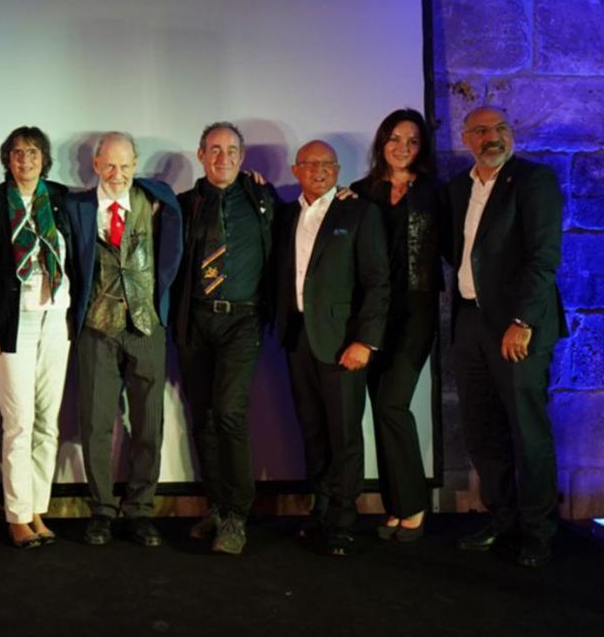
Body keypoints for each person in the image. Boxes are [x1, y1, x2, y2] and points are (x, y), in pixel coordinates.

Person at [444, 107, 566, 567]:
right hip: (471, 322)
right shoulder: (459, 188)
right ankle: (503, 517)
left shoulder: (533, 181)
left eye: (501, 129)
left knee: (526, 428)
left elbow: (544, 257)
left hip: (518, 325)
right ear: (466, 138)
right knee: (481, 428)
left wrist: (525, 321)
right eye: (481, 131)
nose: (492, 137)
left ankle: (538, 531)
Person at [66, 131, 183, 547]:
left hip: (146, 327)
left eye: (126, 166)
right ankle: (101, 510)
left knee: (149, 423)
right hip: (96, 329)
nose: (118, 174)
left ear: (137, 166)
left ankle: (140, 510)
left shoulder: (158, 200)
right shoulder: (74, 206)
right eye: (110, 165)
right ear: (96, 165)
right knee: (96, 424)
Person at [274, 140, 389, 557]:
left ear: (338, 170)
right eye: (310, 164)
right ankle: (321, 509)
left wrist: (365, 340)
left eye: (327, 164)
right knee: (313, 431)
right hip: (298, 338)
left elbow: (378, 282)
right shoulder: (287, 215)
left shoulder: (359, 212)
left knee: (344, 435)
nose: (319, 170)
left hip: (344, 342)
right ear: (296, 169)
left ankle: (343, 520)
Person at [171, 122, 276, 555]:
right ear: (200, 154)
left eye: (231, 150)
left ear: (242, 155)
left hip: (242, 321)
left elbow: (312, 217)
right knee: (204, 418)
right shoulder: (182, 205)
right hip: (196, 321)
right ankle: (216, 506)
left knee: (230, 414)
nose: (223, 158)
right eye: (214, 149)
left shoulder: (263, 200)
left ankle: (237, 515)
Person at [0, 126, 75, 549]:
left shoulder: (63, 199)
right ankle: (16, 515)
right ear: (7, 159)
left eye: (33, 153)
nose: (25, 160)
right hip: (14, 323)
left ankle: (37, 510)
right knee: (19, 423)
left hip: (58, 318)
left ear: (44, 159)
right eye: (17, 153)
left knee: (48, 422)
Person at [348, 109, 443, 542]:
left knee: (392, 404)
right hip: (370, 315)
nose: (402, 147)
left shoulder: (437, 194)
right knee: (378, 407)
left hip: (416, 312)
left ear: (422, 148)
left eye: (413, 140)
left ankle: (415, 505)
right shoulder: (360, 193)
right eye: (395, 138)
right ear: (381, 141)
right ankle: (395, 506)